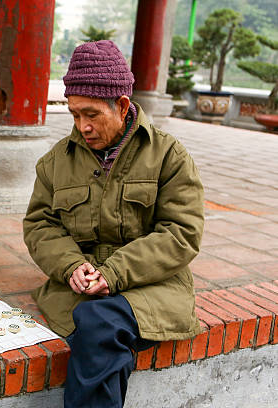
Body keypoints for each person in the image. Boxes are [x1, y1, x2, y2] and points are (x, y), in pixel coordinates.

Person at [23, 40, 204, 408]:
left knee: (99, 324)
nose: (82, 126)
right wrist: (71, 266)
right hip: (81, 287)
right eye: (74, 115)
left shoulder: (168, 155)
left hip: (151, 285)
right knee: (97, 324)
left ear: (122, 106)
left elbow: (182, 233)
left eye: (91, 114)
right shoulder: (55, 161)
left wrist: (114, 273)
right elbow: (40, 225)